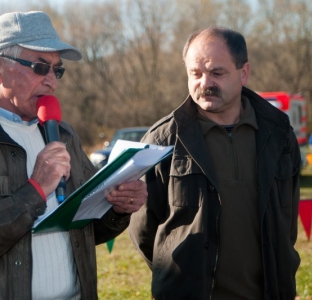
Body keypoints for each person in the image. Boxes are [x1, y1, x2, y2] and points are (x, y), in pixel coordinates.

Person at [0, 11, 147, 300]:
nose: (52, 81)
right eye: (40, 67)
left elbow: (87, 231)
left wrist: (118, 207)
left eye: (58, 70)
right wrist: (35, 190)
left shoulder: (64, 135)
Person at [128, 27, 301, 299]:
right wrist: (179, 278)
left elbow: (286, 223)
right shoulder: (162, 140)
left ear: (244, 73)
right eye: (195, 73)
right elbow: (143, 230)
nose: (204, 82)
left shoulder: (279, 135)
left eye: (217, 73)